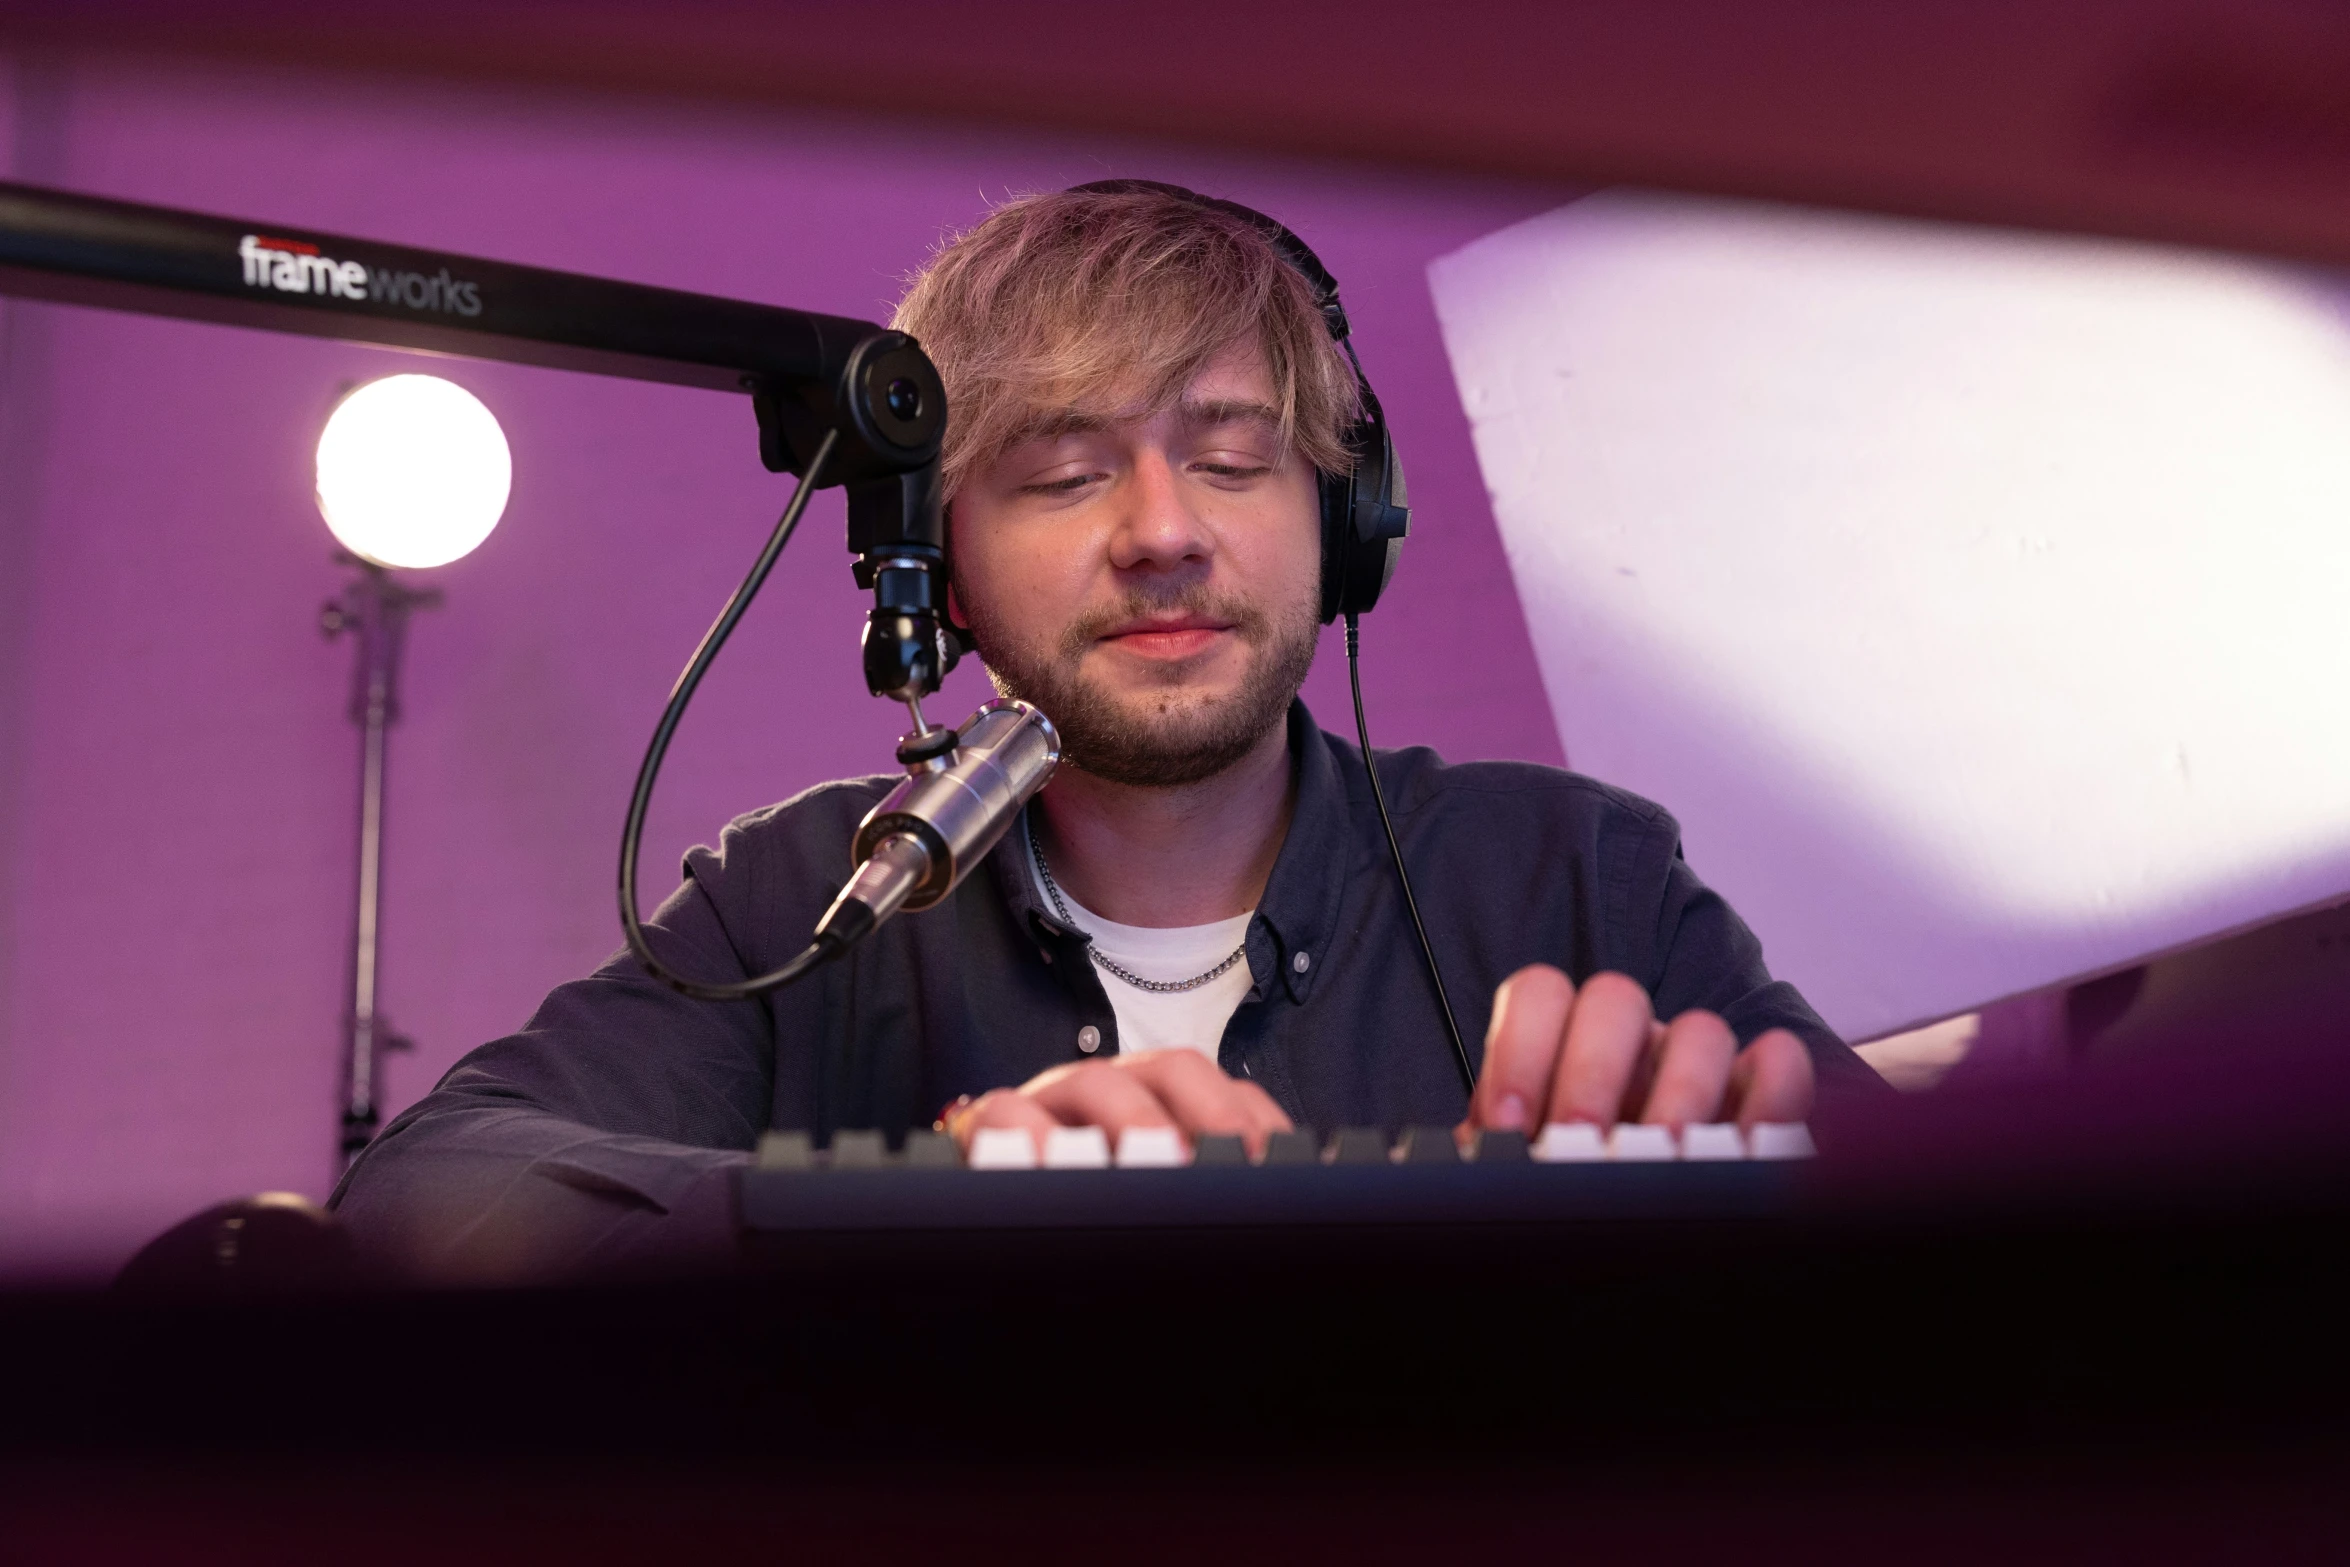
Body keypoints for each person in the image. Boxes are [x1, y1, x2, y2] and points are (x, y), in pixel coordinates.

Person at [331, 183, 1882, 1281]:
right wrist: (922, 1208)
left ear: (1341, 525)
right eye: (1065, 475)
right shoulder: (800, 895)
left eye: (1228, 458)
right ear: (937, 567)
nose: (1158, 534)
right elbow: (418, 1195)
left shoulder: (1567, 870)